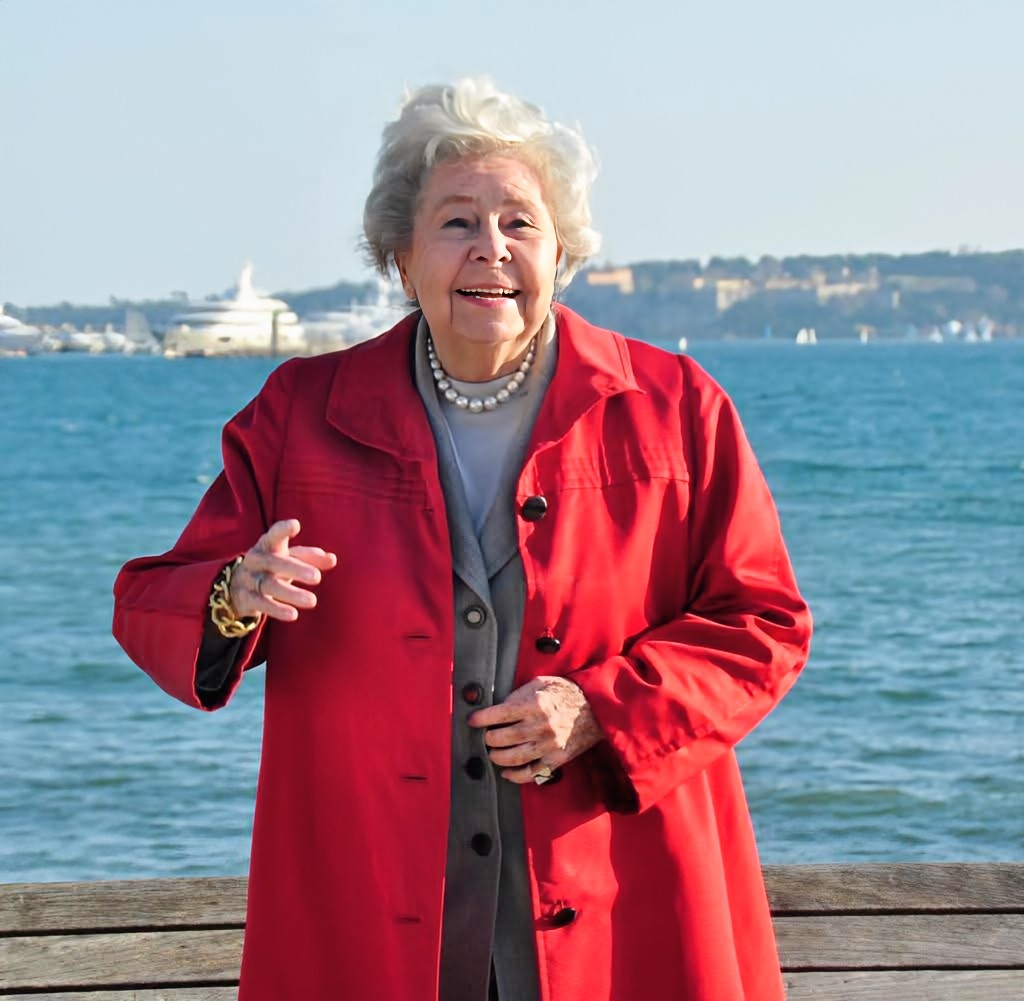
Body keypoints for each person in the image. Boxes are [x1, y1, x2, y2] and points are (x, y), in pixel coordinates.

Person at [113, 78, 812, 1001]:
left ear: (561, 251)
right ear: (401, 257)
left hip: (619, 895)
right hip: (373, 897)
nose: (491, 249)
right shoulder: (301, 412)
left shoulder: (676, 408)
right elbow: (150, 599)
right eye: (456, 223)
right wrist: (234, 593)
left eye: (519, 222)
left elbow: (763, 623)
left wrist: (605, 707)